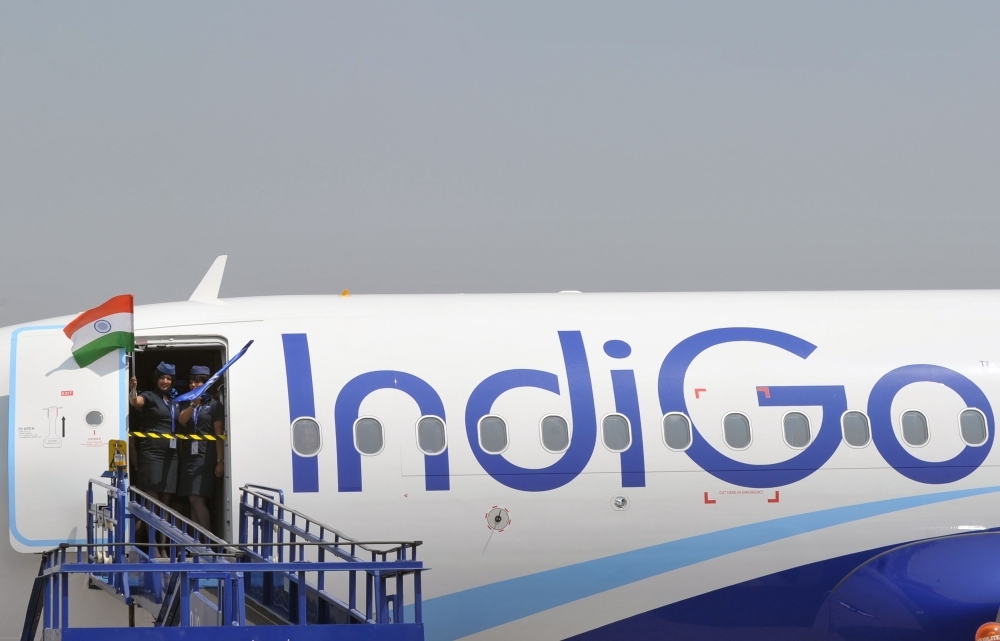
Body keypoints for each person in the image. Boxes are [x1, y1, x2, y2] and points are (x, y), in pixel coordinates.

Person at [128, 362, 179, 556]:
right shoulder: (150, 395)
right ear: (156, 379)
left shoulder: (173, 399)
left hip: (171, 456)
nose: (165, 381)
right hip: (151, 454)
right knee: (153, 501)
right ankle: (153, 548)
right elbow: (135, 402)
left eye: (169, 379)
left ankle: (164, 547)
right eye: (162, 378)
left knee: (166, 502)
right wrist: (133, 389)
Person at [177, 365, 225, 531]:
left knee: (198, 500)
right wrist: (192, 406)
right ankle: (196, 542)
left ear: (206, 384)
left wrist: (220, 461)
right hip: (189, 456)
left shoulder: (214, 405)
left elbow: (218, 435)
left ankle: (207, 543)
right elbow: (182, 421)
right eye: (191, 382)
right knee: (191, 500)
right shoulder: (188, 402)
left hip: (206, 455)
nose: (193, 385)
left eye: (198, 382)